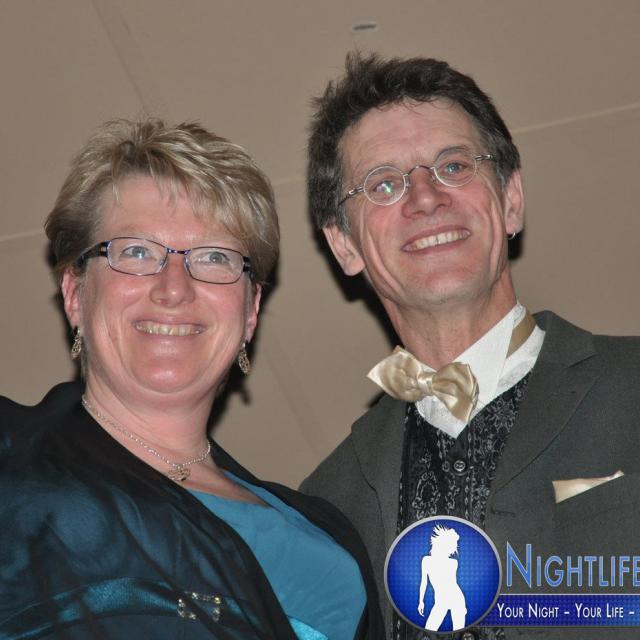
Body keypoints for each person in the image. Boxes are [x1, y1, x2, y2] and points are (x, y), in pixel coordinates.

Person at [0, 118, 384, 639]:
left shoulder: (325, 521)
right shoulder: (12, 461)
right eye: (136, 251)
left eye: (214, 257)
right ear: (74, 294)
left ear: (251, 311)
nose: (174, 288)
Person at [300, 53, 640, 640]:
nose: (425, 197)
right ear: (344, 245)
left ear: (511, 199)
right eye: (384, 183)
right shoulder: (327, 505)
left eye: (454, 166)